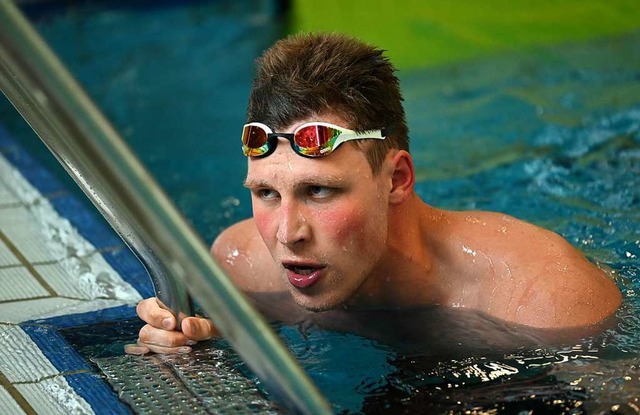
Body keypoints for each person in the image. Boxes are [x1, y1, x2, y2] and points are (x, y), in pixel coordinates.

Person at [125, 32, 621, 355]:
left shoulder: (543, 300)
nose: (287, 234)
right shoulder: (241, 266)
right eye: (267, 194)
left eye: (319, 191)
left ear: (397, 180)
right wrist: (184, 346)